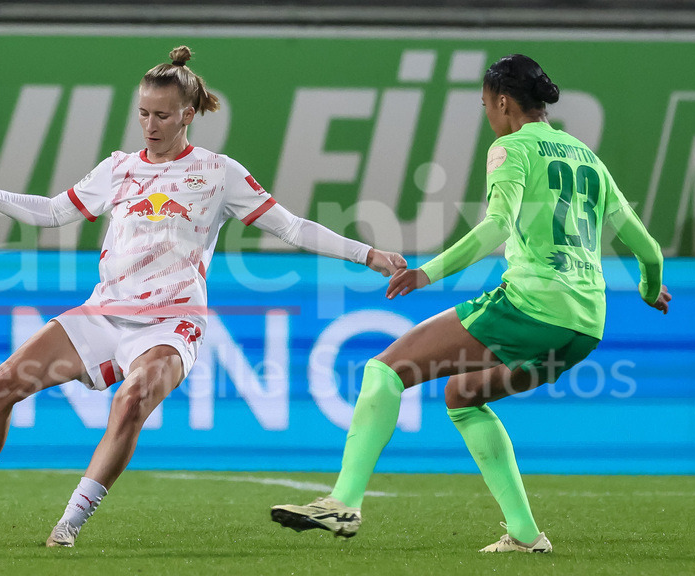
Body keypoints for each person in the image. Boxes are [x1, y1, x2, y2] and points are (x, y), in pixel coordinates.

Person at [0, 46, 407, 548]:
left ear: (188, 114)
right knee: (0, 385)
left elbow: (290, 227)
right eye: (142, 113)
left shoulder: (220, 173)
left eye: (161, 115)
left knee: (131, 400)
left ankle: (68, 524)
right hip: (104, 312)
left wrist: (366, 254)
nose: (150, 125)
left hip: (171, 323)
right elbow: (54, 212)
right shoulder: (117, 169)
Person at [270, 54, 671, 554]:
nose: (487, 116)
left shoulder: (511, 149)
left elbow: (498, 227)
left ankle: (343, 501)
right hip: (586, 326)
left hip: (531, 306)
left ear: (503, 102)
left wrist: (426, 272)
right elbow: (648, 249)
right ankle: (526, 535)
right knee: (463, 396)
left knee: (384, 371)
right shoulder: (587, 158)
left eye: (485, 105)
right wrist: (650, 287)